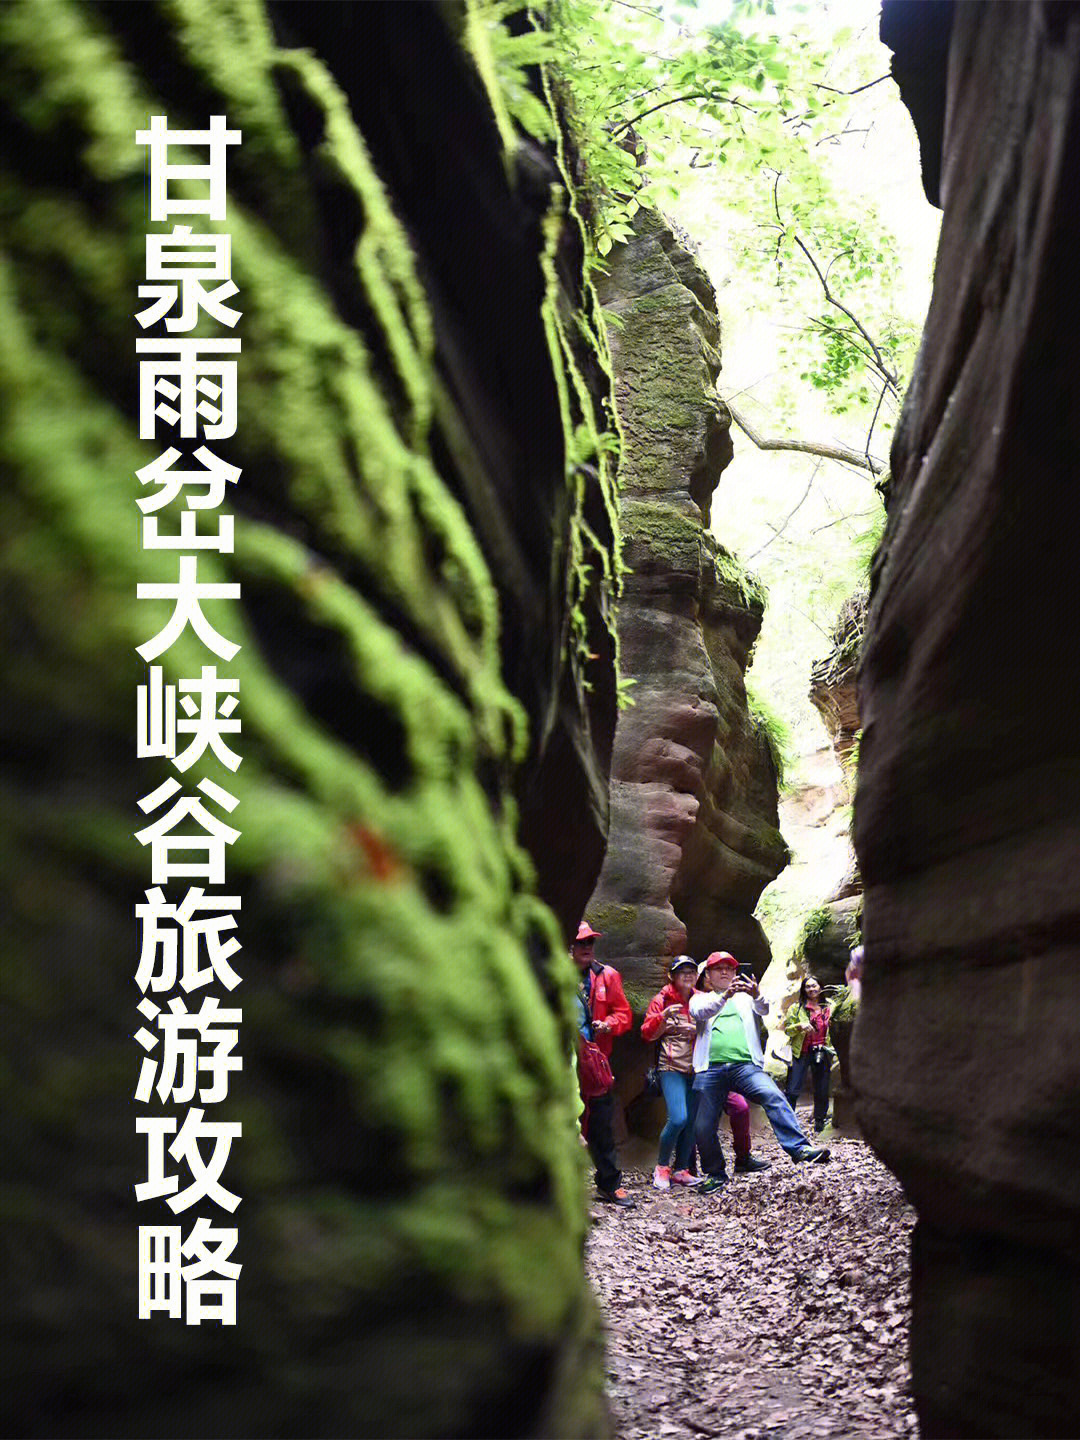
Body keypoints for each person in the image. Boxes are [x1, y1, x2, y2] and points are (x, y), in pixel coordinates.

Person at [691, 951, 830, 1192]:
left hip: (745, 1066)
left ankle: (799, 1148)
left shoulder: (745, 999)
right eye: (718, 969)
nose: (725, 972)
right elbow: (701, 1013)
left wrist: (755, 993)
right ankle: (715, 1173)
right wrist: (725, 995)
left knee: (773, 1095)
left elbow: (764, 1009)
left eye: (730, 968)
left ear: (736, 973)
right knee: (703, 1125)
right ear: (708, 977)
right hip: (709, 1069)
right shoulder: (700, 999)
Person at [641, 957, 770, 1189]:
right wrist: (664, 1019)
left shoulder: (703, 999)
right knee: (679, 1117)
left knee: (694, 1121)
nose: (688, 976)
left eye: (691, 971)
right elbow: (647, 1033)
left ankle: (683, 1169)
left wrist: (695, 1029)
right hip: (672, 1066)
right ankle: (662, 1167)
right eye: (682, 972)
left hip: (701, 1069)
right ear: (672, 975)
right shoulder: (663, 998)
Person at [572, 921, 635, 1207]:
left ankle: (609, 1184)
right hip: (563, 1059)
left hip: (595, 1061)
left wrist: (608, 1024)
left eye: (590, 943)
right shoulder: (553, 974)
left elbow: (624, 1014)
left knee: (601, 1123)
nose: (586, 948)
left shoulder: (607, 976)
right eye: (580, 943)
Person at [783, 975, 835, 1134]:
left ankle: (819, 1123)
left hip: (822, 1050)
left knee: (821, 1088)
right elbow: (787, 1030)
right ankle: (787, 1122)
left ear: (821, 987)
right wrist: (800, 1026)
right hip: (802, 1051)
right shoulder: (796, 1008)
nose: (812, 989)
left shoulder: (830, 1007)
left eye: (815, 985)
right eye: (808, 987)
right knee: (792, 1089)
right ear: (804, 990)